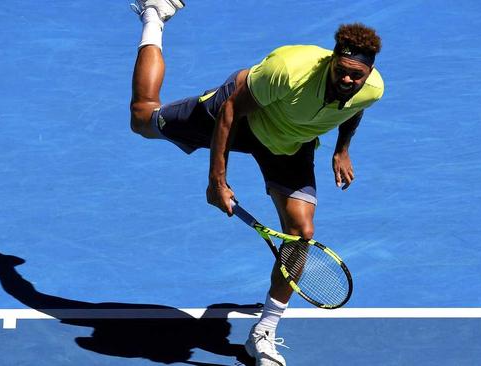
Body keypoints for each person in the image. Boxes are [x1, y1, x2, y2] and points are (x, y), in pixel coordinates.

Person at [128, 1, 383, 365]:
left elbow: (353, 110)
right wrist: (218, 180)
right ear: (331, 61)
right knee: (142, 119)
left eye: (356, 76)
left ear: (368, 73)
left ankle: (264, 331)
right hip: (241, 116)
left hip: (287, 144)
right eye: (341, 71)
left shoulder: (371, 90)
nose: (347, 80)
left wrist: (341, 150)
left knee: (300, 233)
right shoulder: (289, 70)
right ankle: (153, 15)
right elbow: (230, 111)